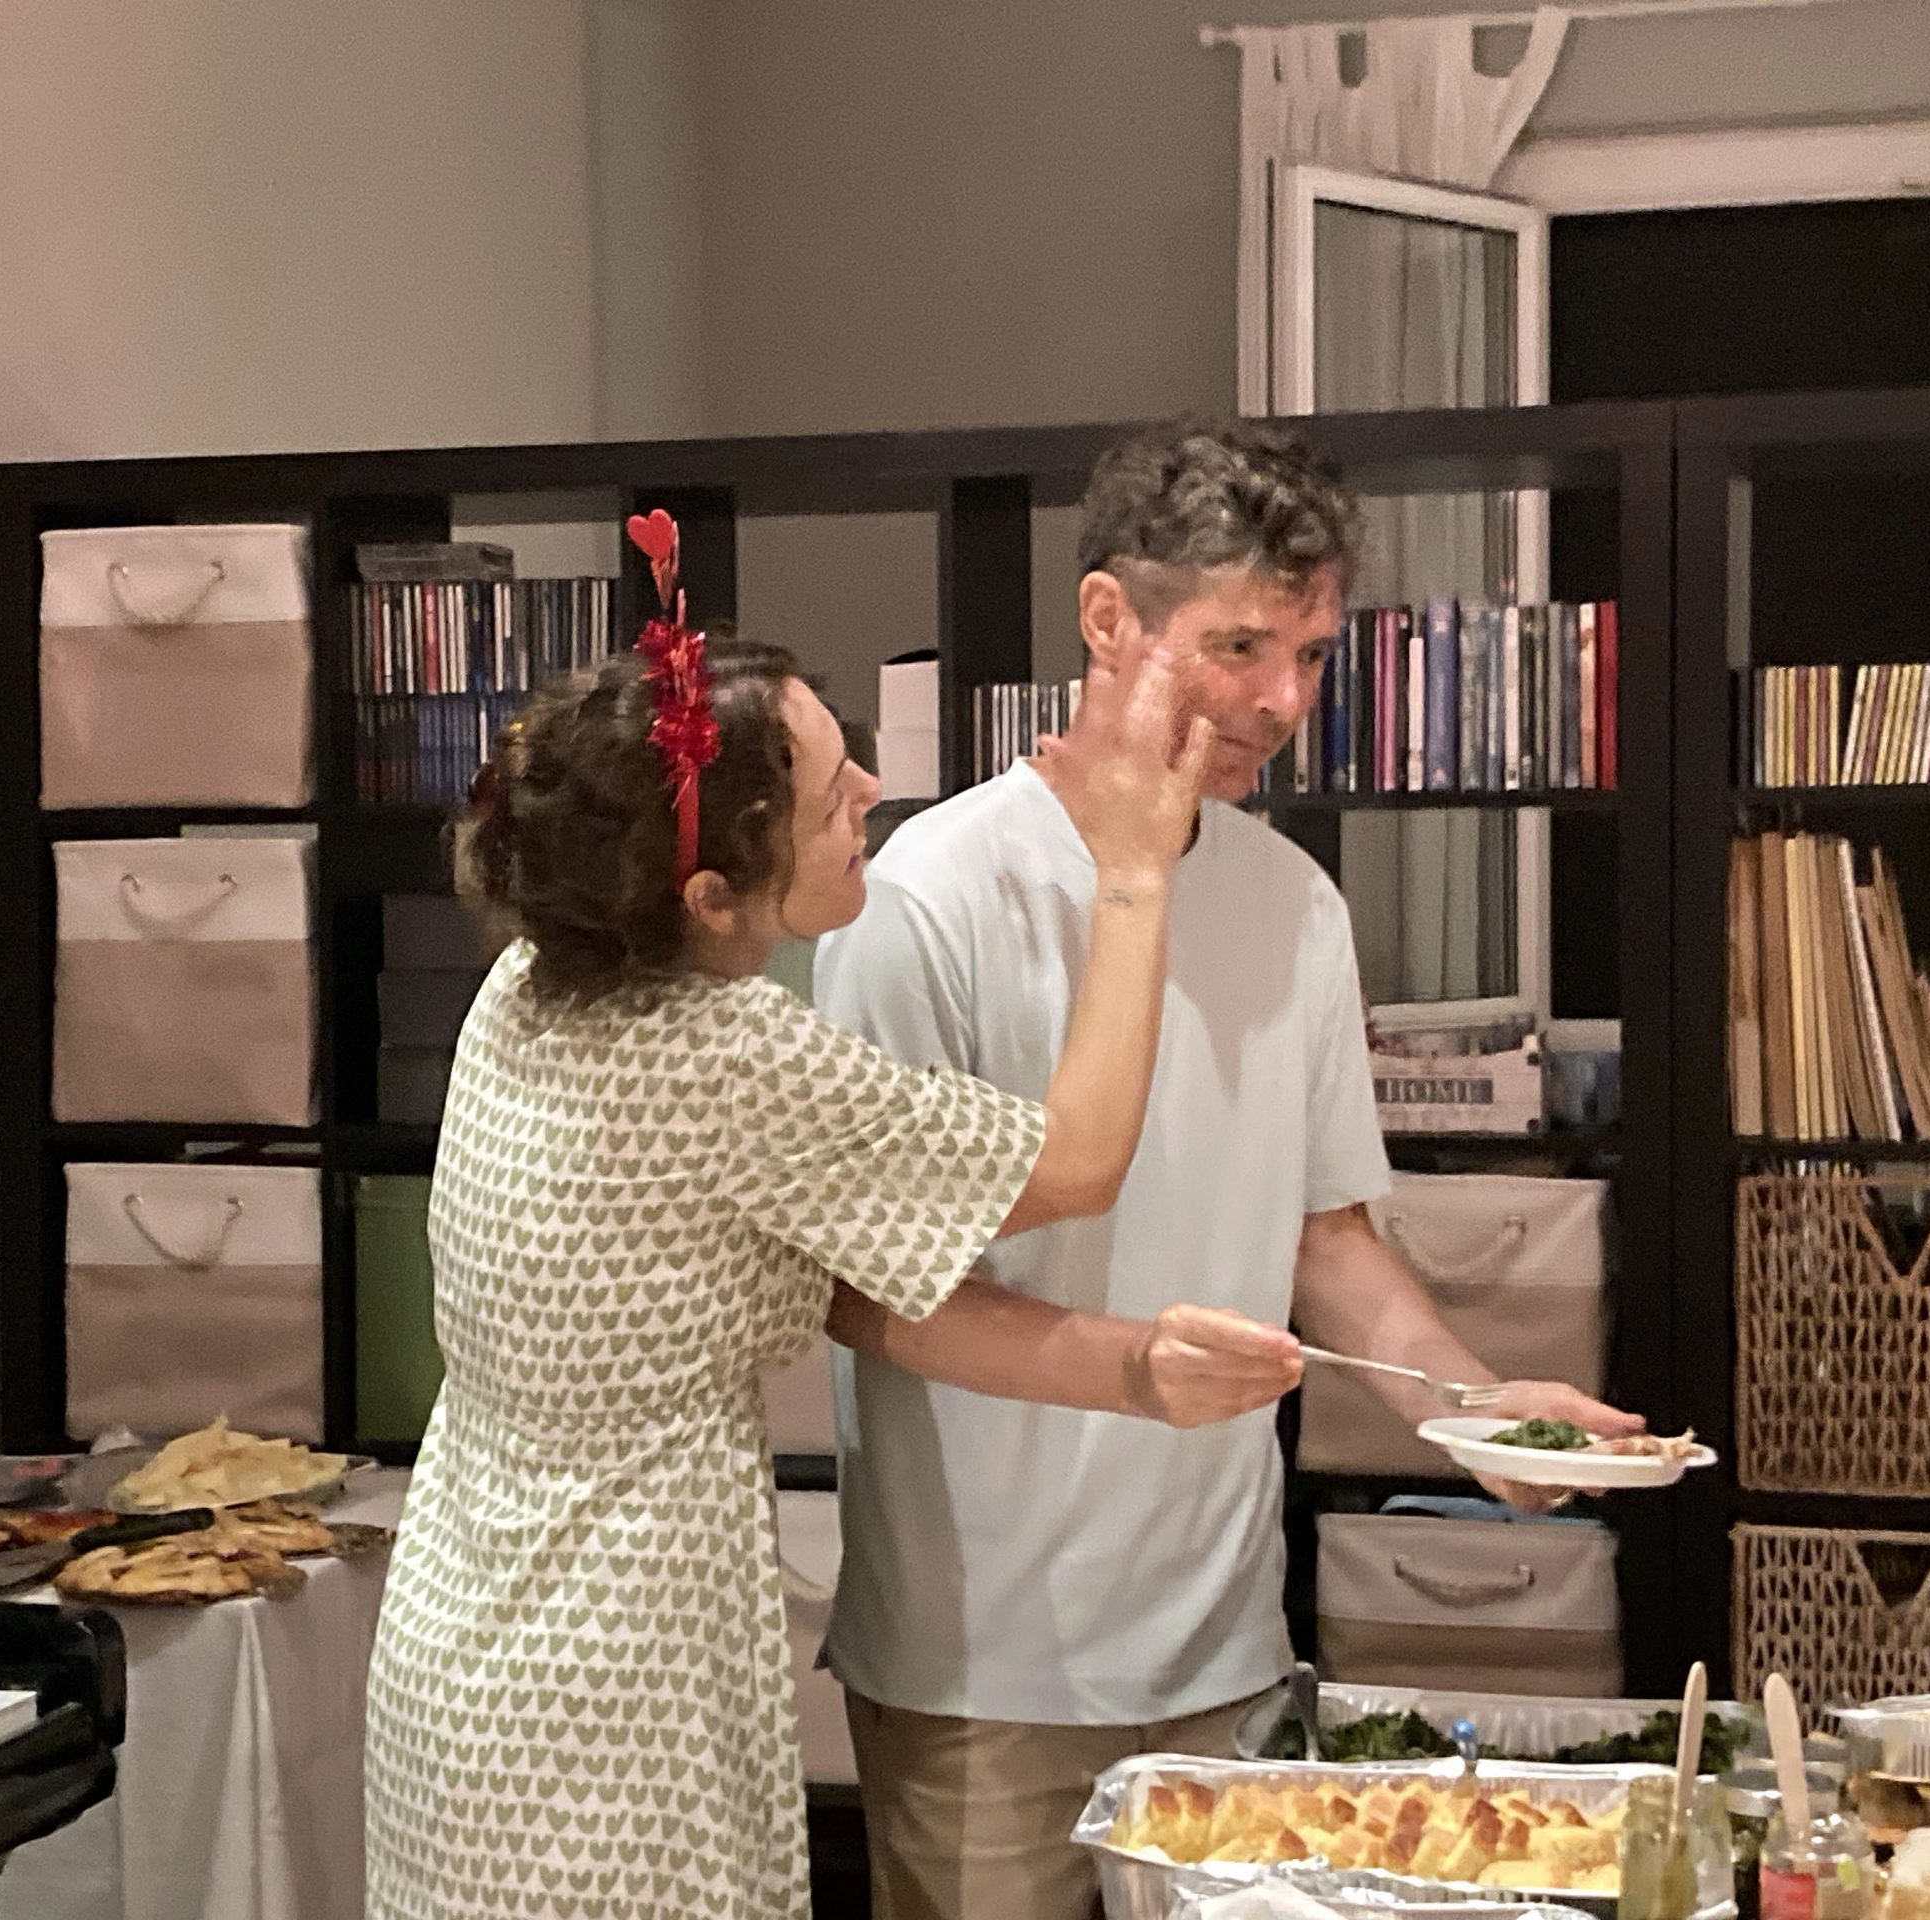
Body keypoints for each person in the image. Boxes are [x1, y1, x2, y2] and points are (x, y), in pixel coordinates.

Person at [360, 511, 1314, 1920]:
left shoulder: (528, 991)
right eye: (827, 800)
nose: (872, 787)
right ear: (709, 899)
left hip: (464, 1635)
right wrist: (1132, 873)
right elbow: (1076, 1162)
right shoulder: (727, 1058)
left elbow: (857, 1286)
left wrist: (1129, 1370)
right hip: (610, 1694)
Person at [810, 418, 1642, 1920]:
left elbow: (1329, 1237)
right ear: (1107, 618)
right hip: (978, 1663)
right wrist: (1134, 1366)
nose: (1284, 699)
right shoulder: (928, 897)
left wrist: (1476, 1411)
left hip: (1225, 1652)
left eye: (1311, 654)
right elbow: (872, 1296)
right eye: (1240, 645)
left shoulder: (1297, 904)